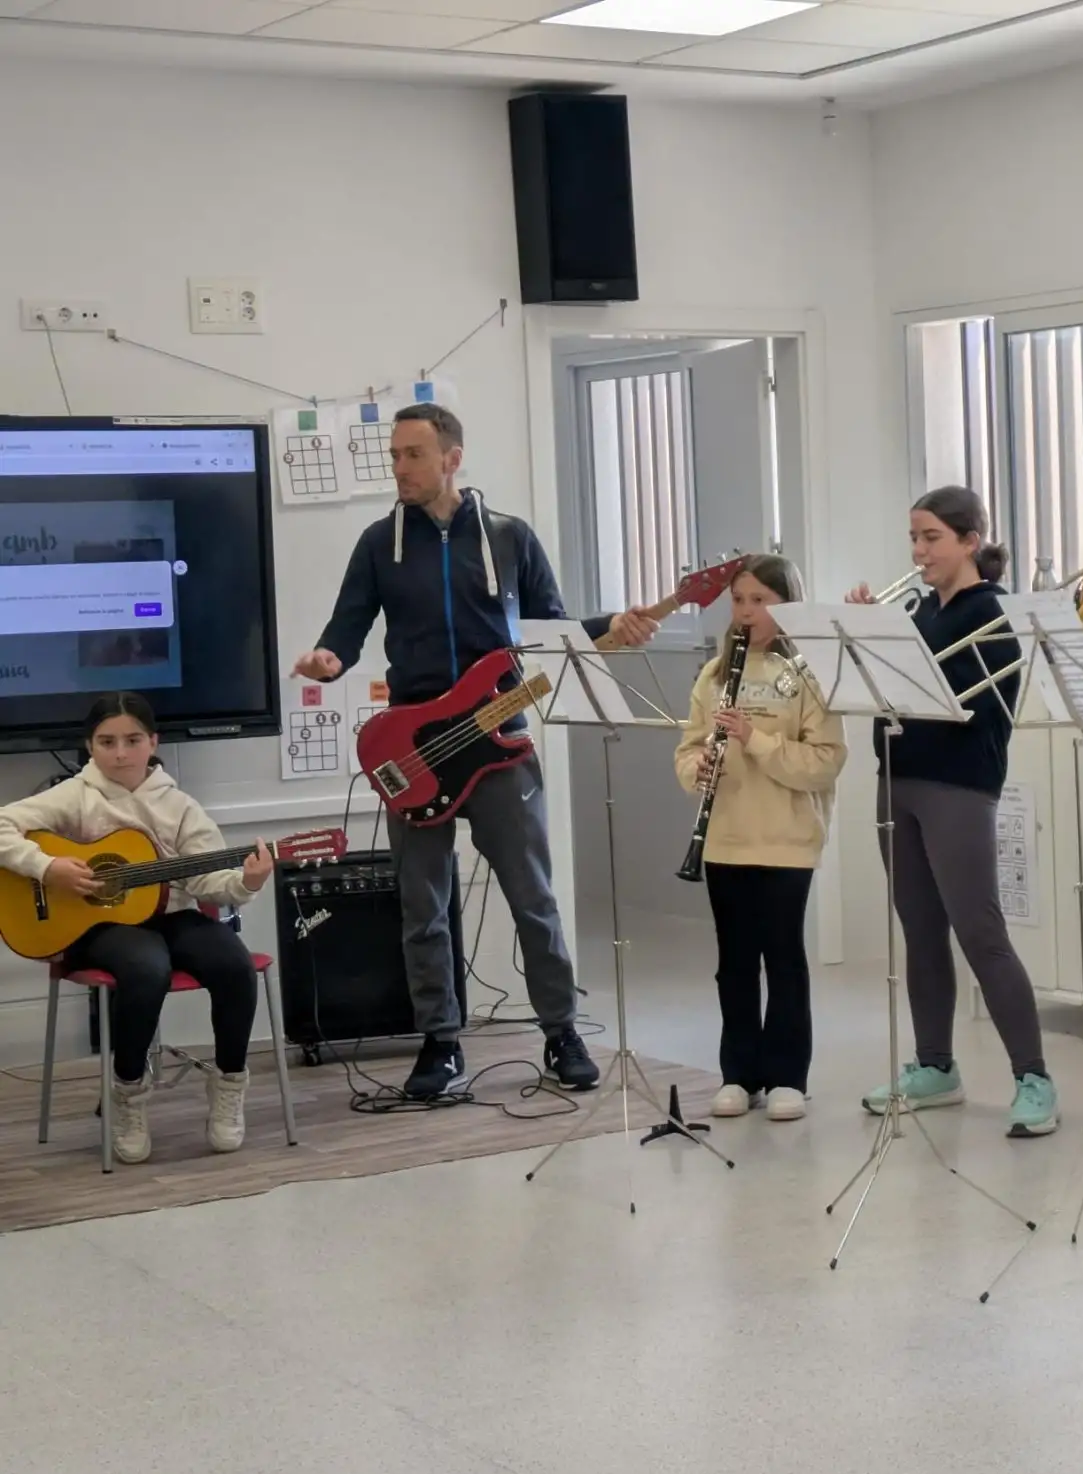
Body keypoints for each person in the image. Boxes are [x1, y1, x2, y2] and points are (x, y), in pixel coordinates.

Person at [294, 404, 664, 1100]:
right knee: (423, 908)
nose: (399, 468)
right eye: (394, 455)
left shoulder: (510, 537)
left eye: (412, 454)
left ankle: (562, 1033)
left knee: (534, 899)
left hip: (500, 743)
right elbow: (345, 628)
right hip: (414, 748)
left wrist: (612, 625)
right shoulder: (377, 544)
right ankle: (440, 1044)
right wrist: (327, 659)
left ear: (452, 458)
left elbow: (552, 630)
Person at [847, 487, 1058, 1138]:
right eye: (914, 537)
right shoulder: (917, 610)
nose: (919, 551)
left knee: (980, 932)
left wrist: (898, 654)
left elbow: (976, 705)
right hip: (898, 779)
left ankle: (1034, 1078)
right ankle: (935, 1066)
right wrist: (866, 638)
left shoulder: (993, 613)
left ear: (970, 541)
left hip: (959, 785)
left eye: (932, 537)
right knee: (920, 928)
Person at [0, 694, 275, 1162]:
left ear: (153, 742)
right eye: (107, 742)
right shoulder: (75, 795)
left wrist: (247, 881)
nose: (120, 753)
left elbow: (206, 881)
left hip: (173, 916)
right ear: (90, 746)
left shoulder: (180, 806)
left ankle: (230, 1083)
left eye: (132, 740)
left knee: (233, 963)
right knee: (147, 968)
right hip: (98, 927)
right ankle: (127, 1091)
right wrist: (48, 868)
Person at [676, 555, 846, 1123]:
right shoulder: (714, 674)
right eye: (738, 600)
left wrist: (755, 739)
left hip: (786, 839)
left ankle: (788, 1077)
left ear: (787, 606)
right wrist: (699, 768)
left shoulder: (808, 675)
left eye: (760, 601)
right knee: (734, 962)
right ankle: (739, 1074)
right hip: (725, 837)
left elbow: (825, 762)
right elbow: (687, 749)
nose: (746, 612)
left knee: (784, 957)